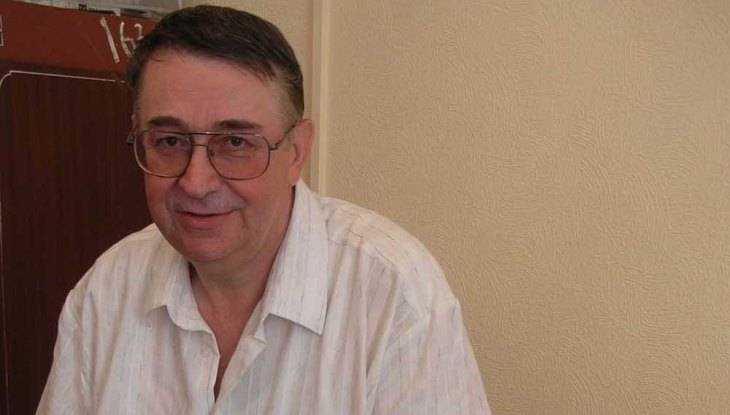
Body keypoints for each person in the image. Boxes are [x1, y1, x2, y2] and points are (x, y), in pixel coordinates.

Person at [37, 5, 490, 414]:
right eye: (170, 141)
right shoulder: (107, 290)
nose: (196, 183)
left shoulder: (393, 296)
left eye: (236, 142)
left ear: (296, 152)